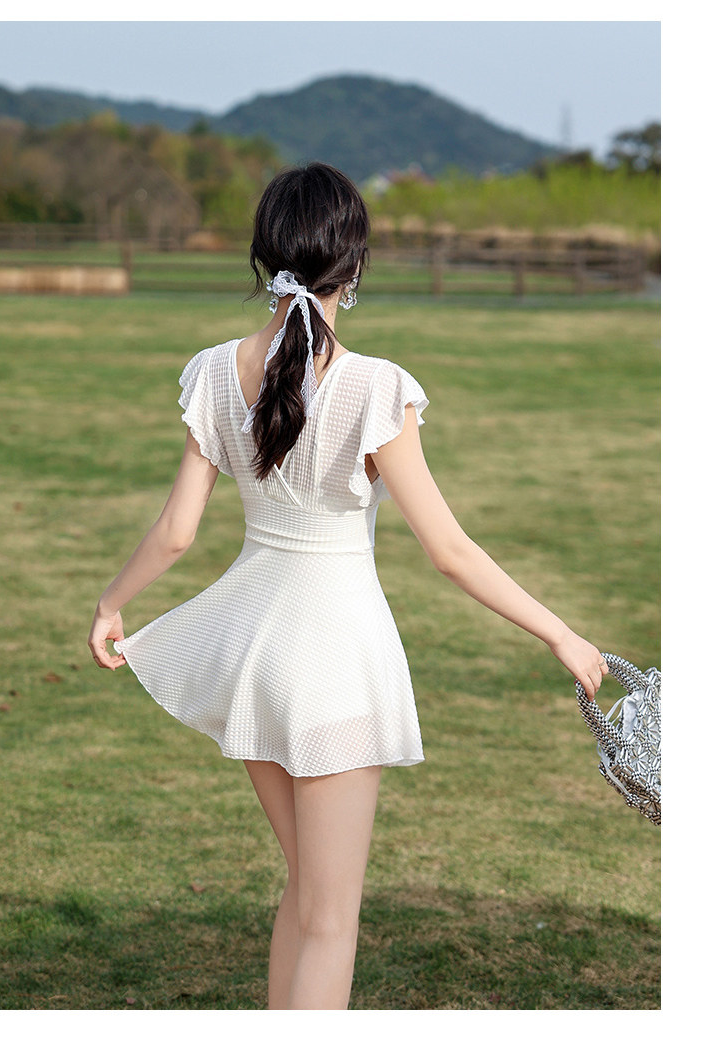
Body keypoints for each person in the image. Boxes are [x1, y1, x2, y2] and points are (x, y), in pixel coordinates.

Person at [88, 162, 608, 1011]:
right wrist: (561, 633)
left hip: (251, 649)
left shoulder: (214, 370)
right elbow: (449, 550)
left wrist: (112, 603)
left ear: (263, 258)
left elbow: (178, 531)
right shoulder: (376, 386)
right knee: (331, 919)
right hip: (334, 661)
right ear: (354, 265)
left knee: (305, 893)